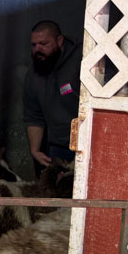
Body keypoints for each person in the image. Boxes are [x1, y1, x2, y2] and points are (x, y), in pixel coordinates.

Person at [23, 20, 82, 169]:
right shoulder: (33, 76)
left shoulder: (82, 60)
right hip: (57, 147)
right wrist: (34, 150)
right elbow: (33, 116)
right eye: (34, 45)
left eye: (43, 44)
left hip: (86, 146)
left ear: (59, 41)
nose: (37, 49)